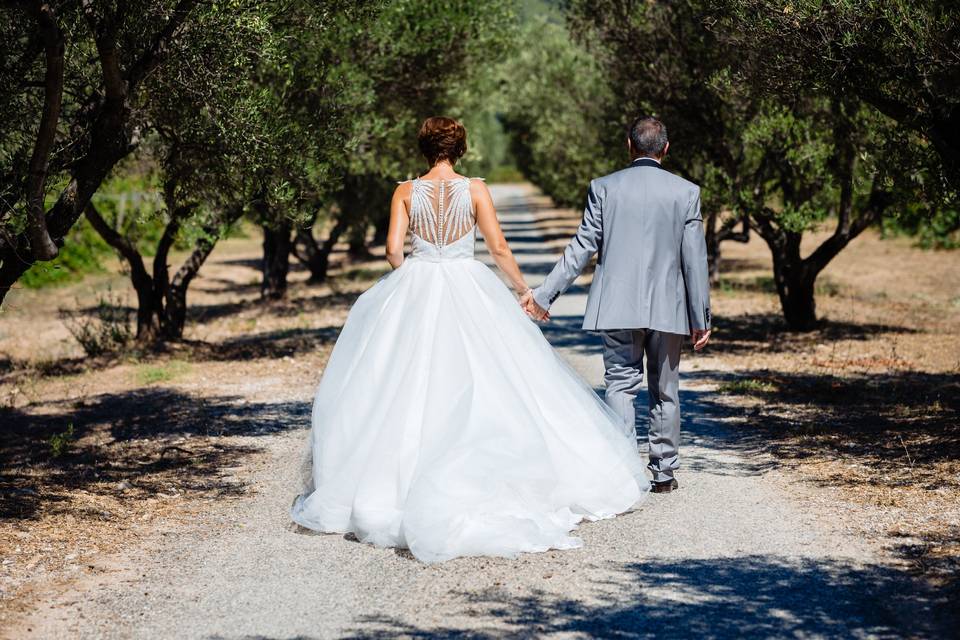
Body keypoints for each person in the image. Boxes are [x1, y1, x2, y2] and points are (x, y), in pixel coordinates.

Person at [290, 116, 648, 563]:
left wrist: (414, 277)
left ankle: (390, 481)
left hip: (418, 280)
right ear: (460, 148)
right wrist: (524, 291)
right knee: (495, 376)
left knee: (399, 381)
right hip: (468, 281)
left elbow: (392, 251)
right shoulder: (475, 189)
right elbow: (498, 248)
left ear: (423, 147)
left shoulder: (405, 191)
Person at [522, 116, 712, 494]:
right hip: (668, 309)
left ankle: (625, 471)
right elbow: (694, 257)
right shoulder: (685, 192)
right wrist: (699, 315)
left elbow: (581, 248)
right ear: (666, 149)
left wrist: (544, 295)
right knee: (666, 390)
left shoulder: (604, 188)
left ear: (629, 146)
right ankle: (663, 473)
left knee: (620, 386)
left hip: (617, 306)